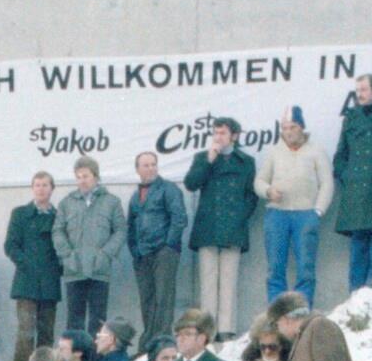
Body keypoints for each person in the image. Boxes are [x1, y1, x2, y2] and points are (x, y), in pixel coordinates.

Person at [183, 119, 259, 333]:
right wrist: (208, 160)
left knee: (228, 281)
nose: (218, 137)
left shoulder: (246, 161)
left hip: (233, 227)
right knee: (208, 281)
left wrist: (240, 217)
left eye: (223, 133)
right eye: (215, 133)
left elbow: (251, 196)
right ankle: (208, 330)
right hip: (208, 226)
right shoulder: (203, 158)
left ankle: (226, 330)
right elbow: (191, 184)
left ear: (234, 136)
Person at [253, 110, 332, 305]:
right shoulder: (274, 152)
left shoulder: (316, 151)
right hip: (277, 215)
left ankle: (302, 314)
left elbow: (327, 183)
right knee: (274, 269)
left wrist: (318, 211)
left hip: (305, 215)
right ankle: (276, 314)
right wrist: (268, 191)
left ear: (302, 127)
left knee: (305, 268)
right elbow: (259, 181)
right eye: (285, 128)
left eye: (293, 127)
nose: (288, 132)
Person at [53, 157, 126, 341]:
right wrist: (67, 255)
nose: (82, 180)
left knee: (98, 320)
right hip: (74, 270)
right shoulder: (66, 203)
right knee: (74, 320)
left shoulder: (111, 202)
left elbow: (120, 230)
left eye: (85, 176)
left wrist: (106, 254)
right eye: (78, 177)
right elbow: (57, 230)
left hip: (99, 270)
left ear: (96, 177)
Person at [127, 151, 190, 347]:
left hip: (163, 252)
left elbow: (179, 218)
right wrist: (134, 250)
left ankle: (162, 340)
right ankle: (148, 341)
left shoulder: (169, 189)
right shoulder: (135, 197)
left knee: (164, 297)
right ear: (137, 169)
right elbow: (130, 225)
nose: (151, 168)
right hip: (142, 254)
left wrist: (169, 245)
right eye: (145, 165)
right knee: (147, 298)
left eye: (153, 164)